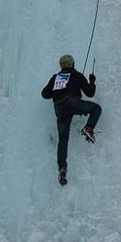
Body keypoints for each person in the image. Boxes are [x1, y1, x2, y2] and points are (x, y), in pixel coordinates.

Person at [41, 54, 102, 185]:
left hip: (59, 108)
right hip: (72, 102)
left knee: (63, 140)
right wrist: (92, 81)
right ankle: (88, 128)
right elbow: (90, 93)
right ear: (72, 64)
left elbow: (44, 94)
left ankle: (62, 169)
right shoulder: (76, 75)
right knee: (96, 109)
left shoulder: (56, 77)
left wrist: (56, 89)